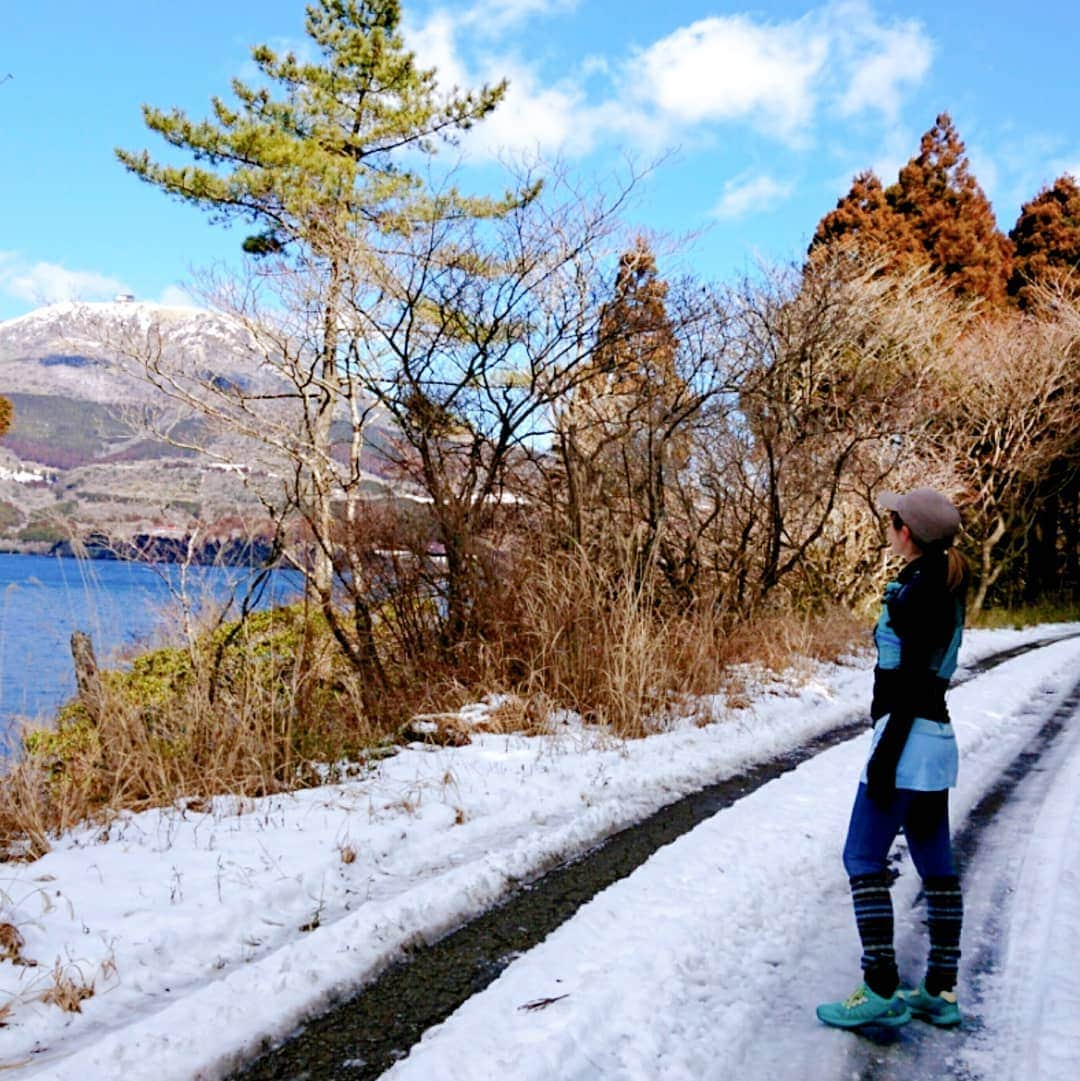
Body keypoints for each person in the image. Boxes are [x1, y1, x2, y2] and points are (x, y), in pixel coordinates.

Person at [817, 487, 968, 1030]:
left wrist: (885, 757)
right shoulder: (940, 581)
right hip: (935, 742)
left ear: (908, 531)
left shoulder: (922, 591)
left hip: (907, 742)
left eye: (892, 519)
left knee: (862, 858)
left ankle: (880, 985)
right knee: (936, 866)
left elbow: (908, 685)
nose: (888, 525)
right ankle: (940, 990)